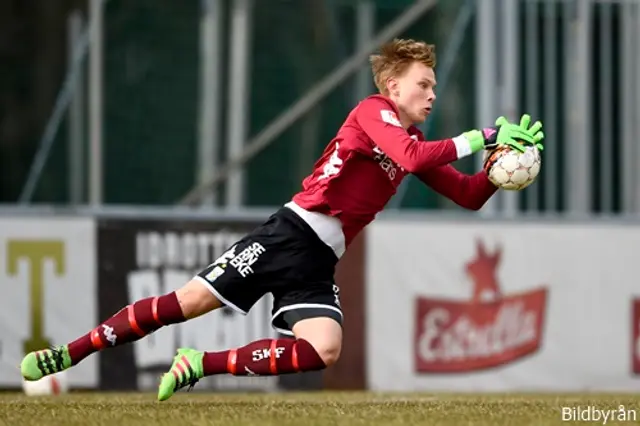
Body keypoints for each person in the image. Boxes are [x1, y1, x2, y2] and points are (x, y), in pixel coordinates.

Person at [20, 38, 544, 400]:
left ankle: (199, 364)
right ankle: (65, 354)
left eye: (433, 87)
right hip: (289, 233)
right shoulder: (372, 112)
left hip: (319, 258)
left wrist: (499, 171)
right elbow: (410, 158)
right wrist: (483, 139)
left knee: (323, 349)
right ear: (392, 86)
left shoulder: (413, 144)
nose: (431, 94)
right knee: (186, 303)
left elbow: (469, 195)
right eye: (423, 84)